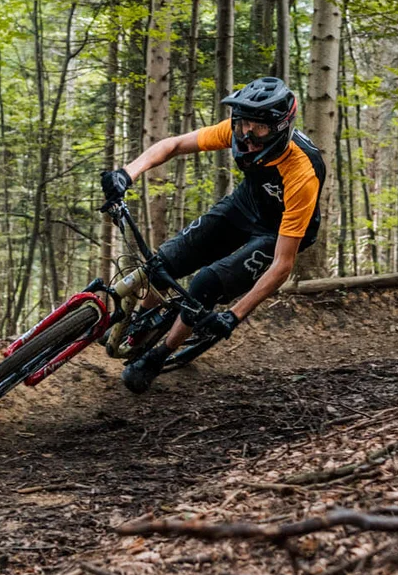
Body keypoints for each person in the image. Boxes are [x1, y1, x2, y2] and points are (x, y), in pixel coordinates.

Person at [100, 76, 326, 393]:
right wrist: (127, 173)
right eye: (243, 123)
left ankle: (157, 357)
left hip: (280, 231)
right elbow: (175, 145)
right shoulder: (239, 131)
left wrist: (233, 316)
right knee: (164, 261)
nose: (247, 135)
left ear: (279, 128)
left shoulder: (302, 171)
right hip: (245, 205)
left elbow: (283, 264)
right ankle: (140, 323)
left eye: (258, 128)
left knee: (205, 283)